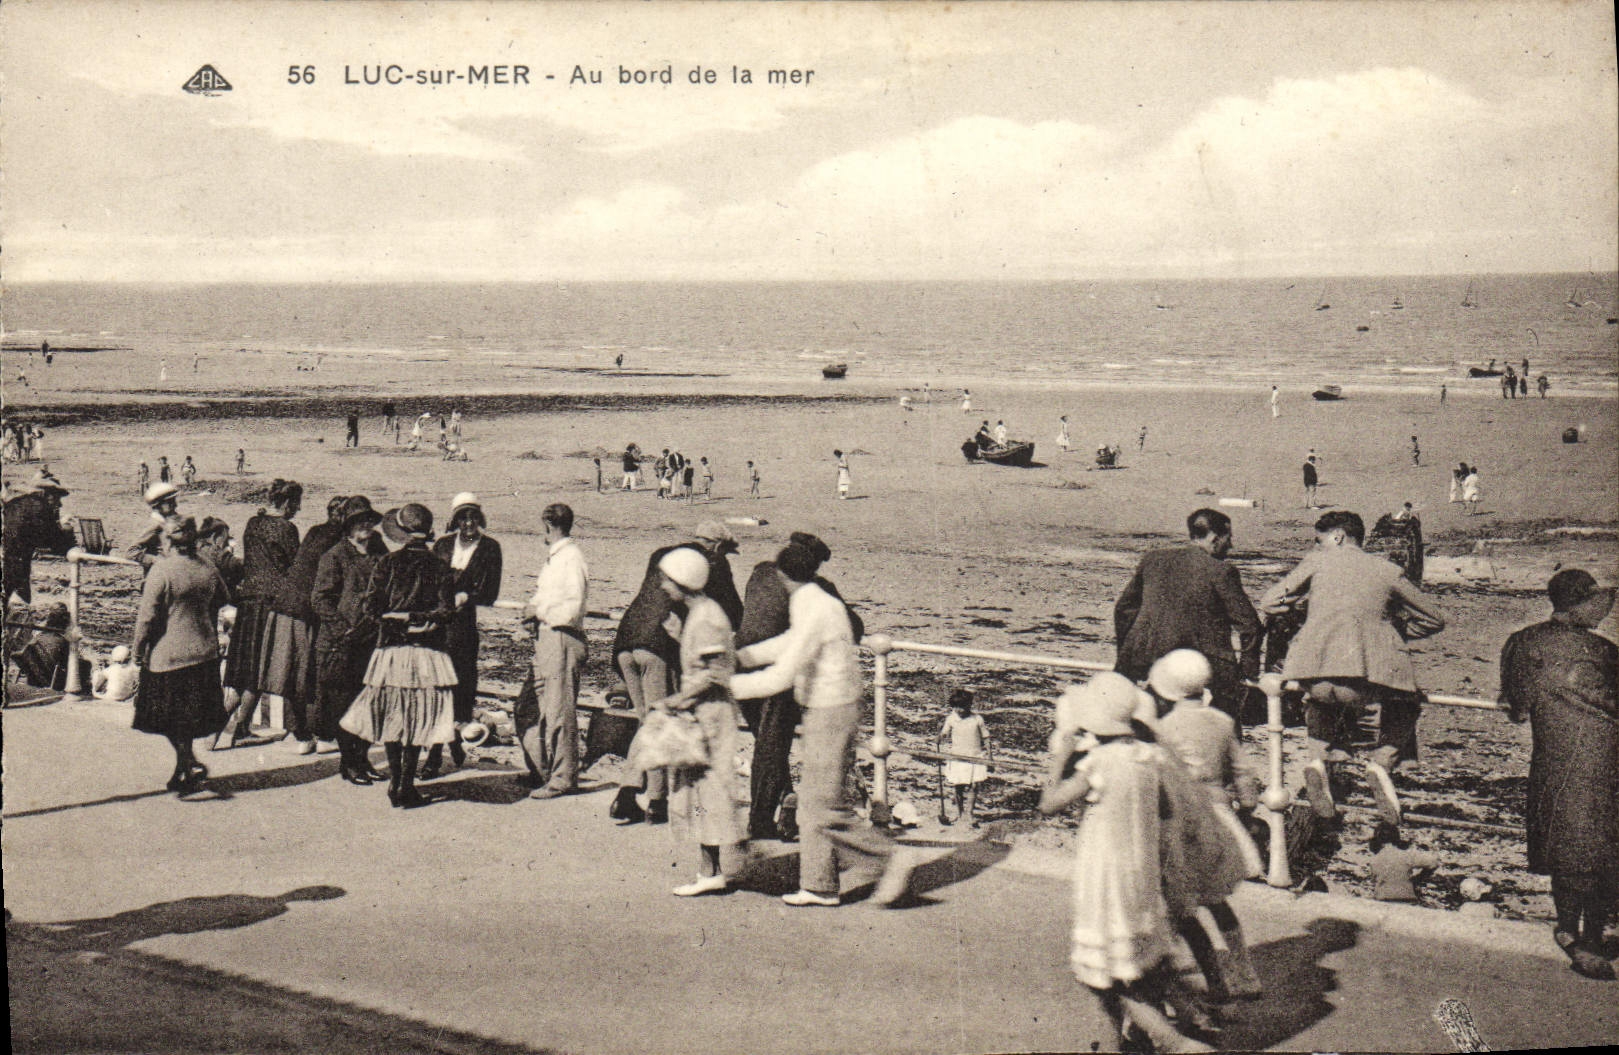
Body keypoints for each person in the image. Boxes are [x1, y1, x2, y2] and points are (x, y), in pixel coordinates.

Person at [1039, 673, 1214, 1053]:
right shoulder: (1148, 757)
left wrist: (1060, 757)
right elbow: (1167, 811)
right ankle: (1139, 1035)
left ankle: (1170, 1040)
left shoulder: (1097, 764)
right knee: (1135, 964)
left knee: (1102, 975)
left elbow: (1048, 803)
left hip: (1105, 875)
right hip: (1141, 868)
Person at [733, 543, 910, 907]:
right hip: (823, 706)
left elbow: (783, 674)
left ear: (781, 574)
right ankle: (818, 885)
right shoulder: (812, 598)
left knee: (825, 806)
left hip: (833, 709)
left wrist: (728, 682)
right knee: (816, 804)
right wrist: (743, 657)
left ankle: (889, 858)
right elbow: (789, 644)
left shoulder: (814, 606)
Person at [1259, 510, 1447, 827]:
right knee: (1406, 704)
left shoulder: (1315, 563)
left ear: (1339, 536)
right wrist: (1393, 632)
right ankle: (1380, 764)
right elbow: (1435, 619)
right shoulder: (1387, 570)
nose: (1317, 547)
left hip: (1310, 670)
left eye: (1320, 541)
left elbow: (1269, 602)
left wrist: (1304, 611)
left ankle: (1318, 762)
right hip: (1363, 676)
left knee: (1320, 703)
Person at [1499, 568, 1618, 980]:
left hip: (1552, 756)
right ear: (1583, 602)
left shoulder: (1521, 641)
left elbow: (1516, 705)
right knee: (1601, 846)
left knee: (1566, 842)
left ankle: (1568, 929)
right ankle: (1590, 937)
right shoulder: (1604, 651)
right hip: (1605, 756)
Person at [1148, 650, 1265, 1001]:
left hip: (1179, 819)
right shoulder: (1222, 722)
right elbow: (1243, 772)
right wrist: (1247, 808)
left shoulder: (1163, 729)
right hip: (1217, 814)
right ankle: (1245, 974)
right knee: (1217, 900)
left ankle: (1197, 977)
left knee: (1176, 901)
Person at [735, 531, 863, 841]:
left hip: (745, 659)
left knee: (768, 747)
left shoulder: (760, 572)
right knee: (771, 747)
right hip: (777, 673)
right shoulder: (820, 590)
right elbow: (855, 628)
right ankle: (763, 818)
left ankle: (784, 805)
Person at [642, 547, 747, 896]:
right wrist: (678, 637)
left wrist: (677, 700)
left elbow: (714, 674)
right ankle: (711, 869)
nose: (662, 585)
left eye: (667, 579)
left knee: (707, 793)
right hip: (707, 714)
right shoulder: (701, 613)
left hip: (710, 716)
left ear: (683, 581)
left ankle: (711, 872)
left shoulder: (705, 618)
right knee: (703, 793)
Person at [340, 504, 458, 808]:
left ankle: (396, 783)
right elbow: (447, 611)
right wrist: (421, 619)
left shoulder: (387, 563)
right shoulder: (440, 566)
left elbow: (371, 609)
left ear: (402, 532)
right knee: (418, 719)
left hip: (391, 652)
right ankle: (406, 784)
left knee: (394, 715)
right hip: (428, 655)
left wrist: (399, 617)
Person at [1113, 509, 1263, 725]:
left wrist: (1126, 653)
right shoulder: (1221, 570)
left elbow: (1124, 609)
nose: (1231, 546)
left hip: (1147, 658)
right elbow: (1250, 625)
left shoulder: (1153, 560)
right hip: (1202, 663)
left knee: (1151, 722)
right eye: (1228, 539)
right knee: (1226, 719)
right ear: (1214, 538)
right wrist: (1247, 672)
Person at [131, 517, 231, 795]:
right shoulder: (208, 567)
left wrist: (137, 650)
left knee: (169, 717)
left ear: (166, 541)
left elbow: (147, 618)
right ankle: (183, 768)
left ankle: (188, 763)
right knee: (186, 718)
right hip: (203, 652)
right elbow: (224, 597)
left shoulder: (161, 571)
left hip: (169, 656)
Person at [424, 494, 503, 780]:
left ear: (479, 519)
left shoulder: (490, 548)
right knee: (436, 689)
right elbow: (428, 580)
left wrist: (467, 596)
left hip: (464, 629)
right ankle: (434, 753)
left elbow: (490, 592)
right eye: (462, 518)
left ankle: (454, 740)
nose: (468, 523)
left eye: (472, 517)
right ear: (455, 520)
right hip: (439, 627)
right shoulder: (443, 545)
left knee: (460, 689)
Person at [311, 497, 387, 785]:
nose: (366, 526)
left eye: (369, 520)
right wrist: (343, 627)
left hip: (373, 638)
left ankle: (363, 758)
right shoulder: (335, 556)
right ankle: (349, 762)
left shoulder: (378, 551)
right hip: (342, 643)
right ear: (349, 526)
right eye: (359, 521)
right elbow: (319, 599)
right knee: (344, 703)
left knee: (369, 701)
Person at [216, 480, 298, 744]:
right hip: (271, 605)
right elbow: (292, 568)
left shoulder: (253, 523)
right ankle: (223, 726)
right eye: (296, 503)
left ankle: (234, 729)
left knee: (245, 669)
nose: (297, 509)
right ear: (286, 503)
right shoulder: (287, 528)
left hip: (248, 602)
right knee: (258, 670)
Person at [518, 503, 589, 799]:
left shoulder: (570, 558)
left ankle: (562, 779)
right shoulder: (557, 557)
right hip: (547, 638)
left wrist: (538, 610)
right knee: (526, 708)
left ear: (548, 524)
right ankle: (543, 770)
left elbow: (572, 608)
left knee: (559, 711)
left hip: (561, 637)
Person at [266, 490, 342, 753]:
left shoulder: (314, 532)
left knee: (292, 672)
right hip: (309, 611)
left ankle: (300, 734)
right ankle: (322, 735)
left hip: (286, 606)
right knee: (314, 672)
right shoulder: (341, 541)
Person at [2, 472, 74, 621]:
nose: (59, 504)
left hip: (7, 559)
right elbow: (56, 545)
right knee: (20, 604)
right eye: (57, 498)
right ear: (48, 495)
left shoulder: (15, 503)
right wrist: (65, 528)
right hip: (15, 566)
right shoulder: (41, 510)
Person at [937, 689, 990, 825]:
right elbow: (944, 733)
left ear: (969, 705)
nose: (958, 710)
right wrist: (940, 737)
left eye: (962, 707)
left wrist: (990, 756)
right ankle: (960, 813)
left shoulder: (977, 719)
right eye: (955, 707)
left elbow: (986, 737)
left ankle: (969, 813)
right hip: (958, 756)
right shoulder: (951, 718)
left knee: (974, 785)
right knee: (958, 785)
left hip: (975, 756)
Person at [1367, 822, 1438, 903]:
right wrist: (1418, 879)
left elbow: (1374, 881)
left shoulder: (1375, 860)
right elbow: (1434, 862)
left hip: (1383, 900)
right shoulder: (1406, 855)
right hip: (1407, 898)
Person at [125, 482, 184, 571]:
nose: (175, 505)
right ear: (158, 505)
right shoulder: (155, 525)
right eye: (170, 502)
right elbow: (131, 552)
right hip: (158, 577)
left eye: (174, 501)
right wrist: (156, 560)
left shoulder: (171, 521)